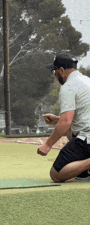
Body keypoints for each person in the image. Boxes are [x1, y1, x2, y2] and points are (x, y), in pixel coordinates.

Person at [37, 52, 90, 183]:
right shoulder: (87, 81)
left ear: (61, 71)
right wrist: (56, 119)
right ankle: (85, 172)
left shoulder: (68, 87)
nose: (54, 75)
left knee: (56, 174)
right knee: (70, 133)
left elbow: (66, 121)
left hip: (87, 138)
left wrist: (47, 145)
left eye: (53, 72)